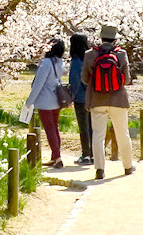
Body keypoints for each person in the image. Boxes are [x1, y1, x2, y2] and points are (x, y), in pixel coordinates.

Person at [79, 25, 133, 179]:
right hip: (118, 100)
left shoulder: (90, 54)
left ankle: (100, 170)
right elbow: (127, 79)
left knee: (98, 136)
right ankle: (128, 166)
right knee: (123, 133)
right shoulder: (121, 54)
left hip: (97, 100)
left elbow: (84, 78)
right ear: (115, 39)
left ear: (101, 37)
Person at [26, 39, 69, 167]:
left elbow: (38, 85)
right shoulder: (59, 63)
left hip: (45, 102)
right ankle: (55, 156)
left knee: (50, 129)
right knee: (54, 128)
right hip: (56, 100)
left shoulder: (46, 63)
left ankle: (57, 157)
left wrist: (29, 101)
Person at [68, 30, 95, 165]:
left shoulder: (76, 62)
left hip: (80, 99)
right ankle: (94, 154)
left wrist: (70, 96)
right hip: (93, 97)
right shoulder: (90, 58)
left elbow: (75, 83)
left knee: (83, 128)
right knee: (92, 127)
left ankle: (86, 155)